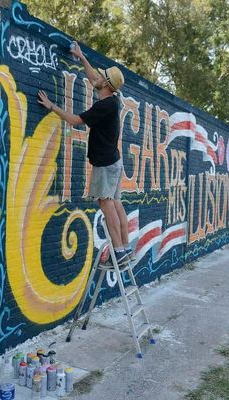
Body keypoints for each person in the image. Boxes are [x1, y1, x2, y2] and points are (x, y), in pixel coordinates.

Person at [37, 41, 132, 266]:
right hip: (114, 162)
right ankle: (126, 249)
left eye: (101, 77)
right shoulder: (112, 100)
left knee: (106, 204)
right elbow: (93, 79)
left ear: (106, 84)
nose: (95, 77)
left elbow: (75, 121)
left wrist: (51, 105)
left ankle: (118, 252)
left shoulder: (104, 106)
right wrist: (81, 56)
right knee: (116, 203)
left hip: (106, 165)